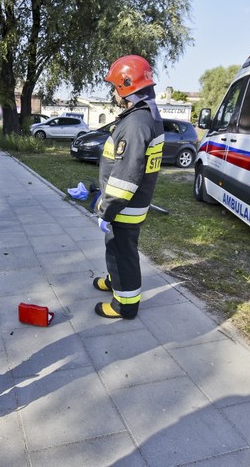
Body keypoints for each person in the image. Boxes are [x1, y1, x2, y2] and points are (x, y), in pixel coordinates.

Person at [92, 55, 164, 320]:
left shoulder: (135, 123)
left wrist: (106, 208)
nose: (113, 92)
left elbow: (126, 177)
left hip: (124, 205)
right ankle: (115, 281)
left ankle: (125, 304)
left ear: (126, 86)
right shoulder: (145, 116)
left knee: (123, 251)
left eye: (115, 87)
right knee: (116, 247)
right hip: (131, 202)